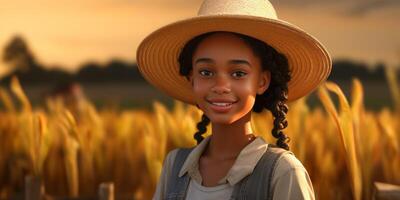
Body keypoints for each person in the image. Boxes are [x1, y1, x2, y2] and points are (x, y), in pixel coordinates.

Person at [136, 0, 332, 199]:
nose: (221, 86)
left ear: (262, 81)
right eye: (206, 72)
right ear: (191, 79)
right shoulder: (175, 166)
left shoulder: (282, 173)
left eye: (238, 73)